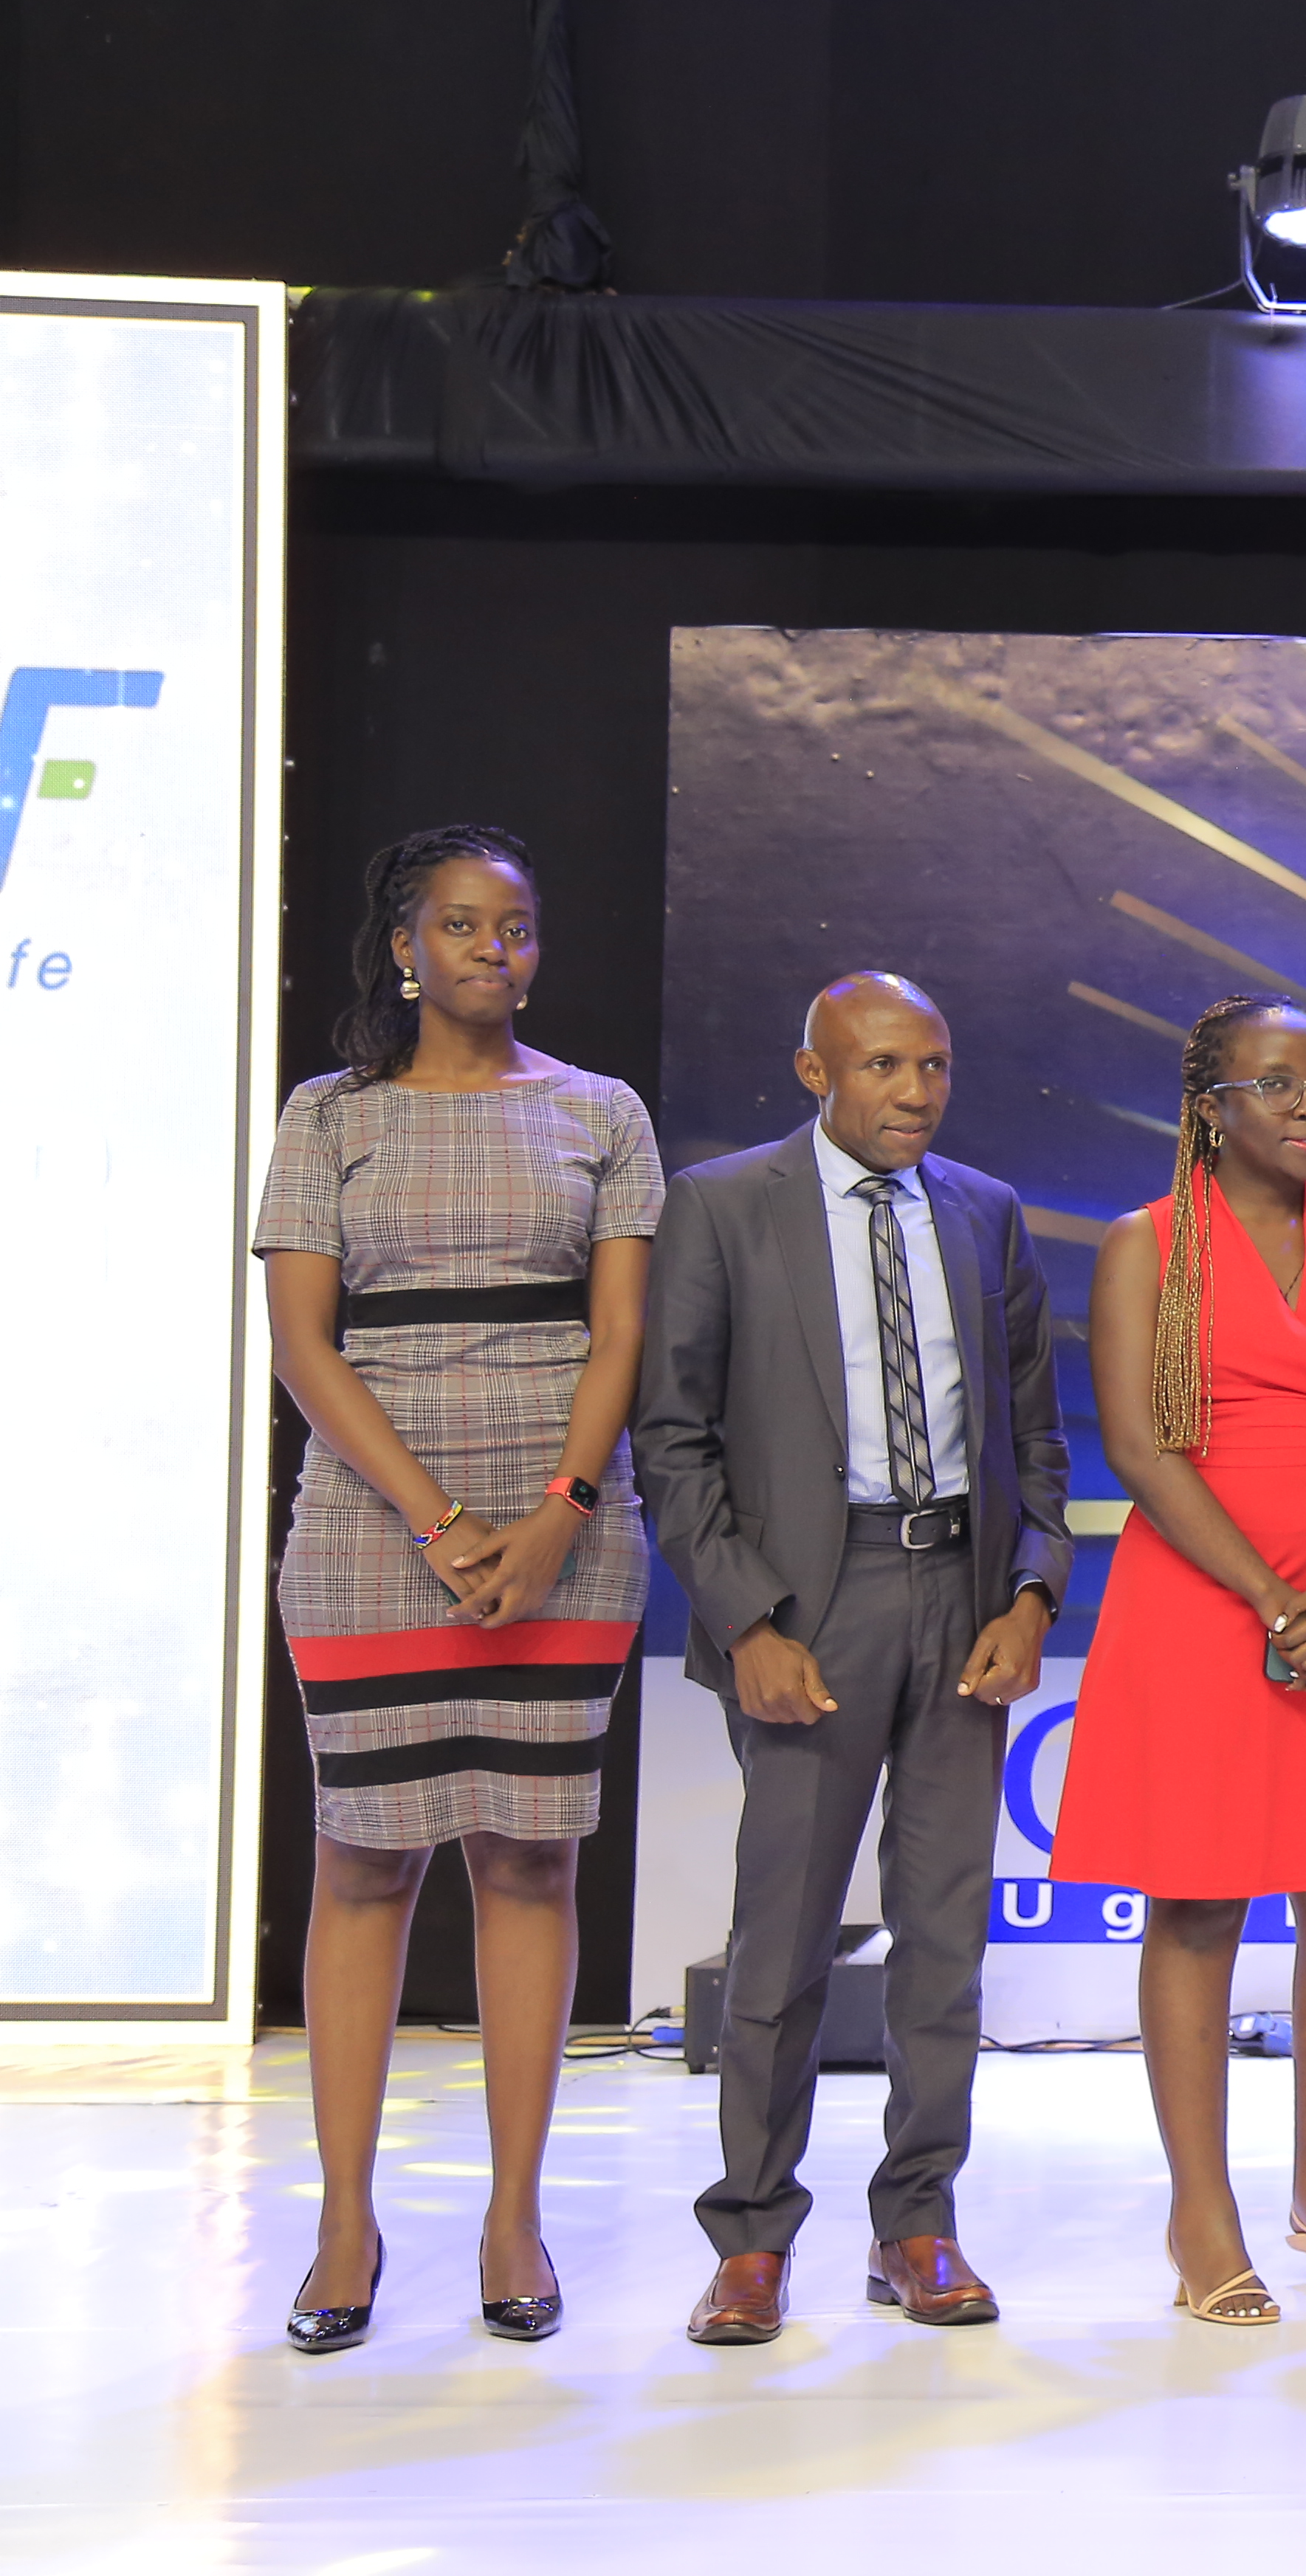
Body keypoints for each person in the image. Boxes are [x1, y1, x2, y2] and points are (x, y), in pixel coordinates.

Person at [260, 825, 661, 2352]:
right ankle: (344, 2221)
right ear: (404, 947)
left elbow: (617, 1338)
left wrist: (557, 1509)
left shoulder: (600, 1112)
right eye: (466, 926)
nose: (499, 950)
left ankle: (515, 2217)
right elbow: (307, 1347)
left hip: (567, 1529)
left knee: (532, 1861)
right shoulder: (330, 1115)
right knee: (364, 1861)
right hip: (373, 1535)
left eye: (520, 928)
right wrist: (438, 1520)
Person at [633, 972, 1073, 2346]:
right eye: (884, 1065)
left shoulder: (984, 1211)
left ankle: (918, 2227)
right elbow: (675, 1439)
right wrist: (748, 1621)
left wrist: (1033, 1594)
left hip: (962, 1596)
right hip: (809, 1611)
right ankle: (753, 2237)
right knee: (783, 1946)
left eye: (934, 1065)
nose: (916, 1092)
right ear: (816, 1070)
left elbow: (1035, 1435)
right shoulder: (721, 1205)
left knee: (943, 1941)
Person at [1051, 995, 1306, 2327]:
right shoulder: (1145, 1247)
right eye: (1272, 1084)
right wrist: (1274, 1598)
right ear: (1208, 1108)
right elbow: (1140, 1448)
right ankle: (1200, 2217)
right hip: (1205, 1602)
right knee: (1198, 1900)